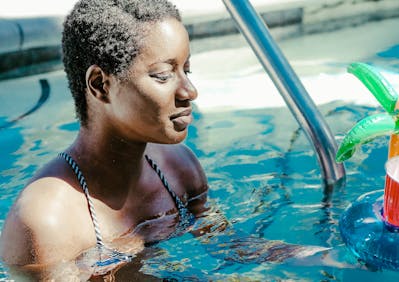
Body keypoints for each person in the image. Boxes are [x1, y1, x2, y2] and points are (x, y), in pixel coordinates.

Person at [0, 0, 355, 280]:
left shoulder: (179, 167)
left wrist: (326, 258)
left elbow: (228, 246)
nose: (190, 91)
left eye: (187, 69)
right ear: (100, 85)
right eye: (162, 74)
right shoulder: (47, 222)